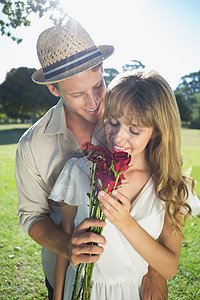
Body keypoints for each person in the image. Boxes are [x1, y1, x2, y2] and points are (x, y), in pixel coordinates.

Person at [15, 17, 168, 299]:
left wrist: (156, 273)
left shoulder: (126, 117)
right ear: (53, 89)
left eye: (98, 85)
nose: (95, 102)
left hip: (132, 279)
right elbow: (31, 216)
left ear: (100, 68)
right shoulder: (31, 146)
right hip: (69, 277)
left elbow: (160, 189)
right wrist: (66, 245)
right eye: (78, 94)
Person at [49, 70, 200, 299]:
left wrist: (125, 222)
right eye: (112, 122)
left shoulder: (169, 186)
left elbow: (169, 268)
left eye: (134, 130)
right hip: (79, 290)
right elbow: (65, 247)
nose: (118, 137)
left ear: (156, 132)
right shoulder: (78, 171)